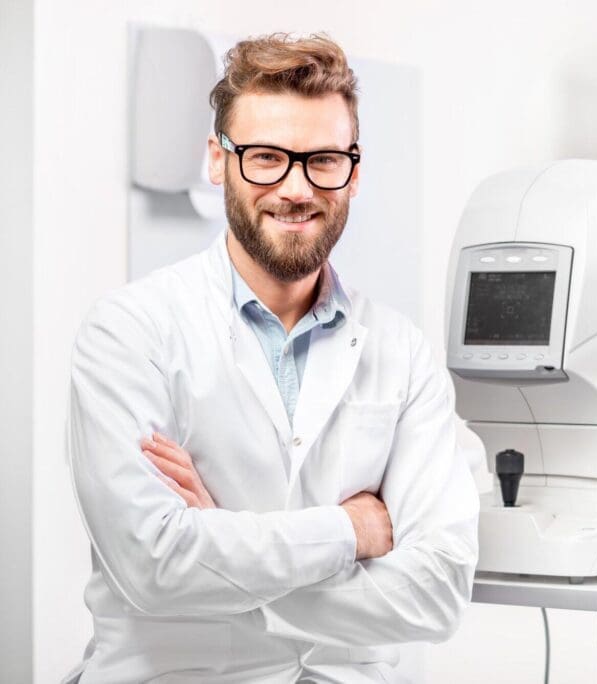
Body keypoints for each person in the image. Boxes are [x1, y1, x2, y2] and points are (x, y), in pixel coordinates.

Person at [64, 33, 479, 683]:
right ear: (216, 160)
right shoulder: (129, 333)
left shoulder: (400, 352)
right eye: (265, 158)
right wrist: (352, 533)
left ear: (354, 170)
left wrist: (226, 549)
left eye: (322, 161)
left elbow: (438, 591)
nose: (295, 188)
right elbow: (156, 567)